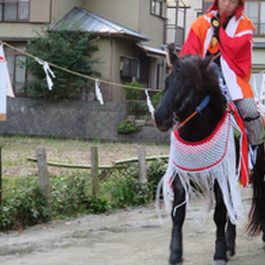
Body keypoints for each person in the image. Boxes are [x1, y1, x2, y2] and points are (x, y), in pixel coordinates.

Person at [179, 0, 264, 147]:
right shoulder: (201, 23)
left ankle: (255, 147)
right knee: (178, 104)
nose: (226, 4)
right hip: (203, 78)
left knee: (249, 110)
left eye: (232, 2)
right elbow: (189, 53)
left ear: (238, 4)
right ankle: (178, 149)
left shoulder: (245, 25)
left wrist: (218, 31)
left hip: (233, 79)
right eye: (223, 0)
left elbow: (236, 49)